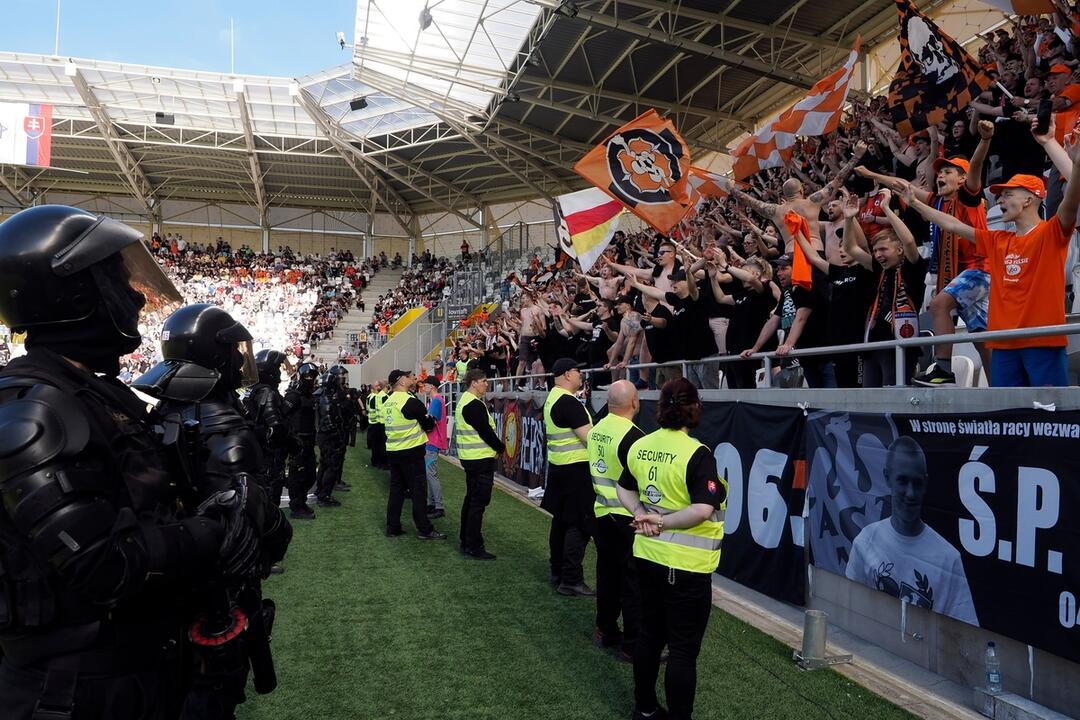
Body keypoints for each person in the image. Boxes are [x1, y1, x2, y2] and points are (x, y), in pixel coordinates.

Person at [0, 205, 233, 719]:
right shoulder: (36, 410)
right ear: (73, 292)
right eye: (115, 280)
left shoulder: (91, 393)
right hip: (75, 692)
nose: (133, 295)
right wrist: (214, 530)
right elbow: (104, 565)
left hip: (133, 671)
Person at [134, 303, 292, 719]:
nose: (242, 359)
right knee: (211, 696)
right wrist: (276, 528)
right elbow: (246, 533)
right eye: (235, 349)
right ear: (216, 353)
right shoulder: (223, 425)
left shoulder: (163, 410)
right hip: (216, 595)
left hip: (171, 579)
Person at [902, 128, 1080, 387]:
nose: (1000, 198)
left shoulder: (1051, 232)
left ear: (1030, 199)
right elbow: (952, 225)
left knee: (1049, 419)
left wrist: (1075, 164)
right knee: (1007, 420)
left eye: (1008, 194)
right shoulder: (998, 240)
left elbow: (1071, 202)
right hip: (1003, 346)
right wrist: (916, 203)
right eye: (1000, 194)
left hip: (1042, 342)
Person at [618, 378, 727, 720]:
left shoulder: (641, 445)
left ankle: (645, 709)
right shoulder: (698, 454)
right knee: (682, 650)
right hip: (686, 567)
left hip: (647, 557)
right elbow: (702, 510)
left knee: (649, 636)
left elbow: (623, 488)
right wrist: (660, 521)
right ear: (694, 408)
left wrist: (640, 514)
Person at [846, 437, 978, 625]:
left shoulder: (949, 559)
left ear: (925, 483)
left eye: (917, 483)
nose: (911, 493)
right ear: (887, 478)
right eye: (903, 481)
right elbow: (851, 607)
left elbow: (964, 630)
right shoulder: (865, 541)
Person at [588, 379, 645, 661]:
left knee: (607, 575)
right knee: (632, 582)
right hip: (626, 517)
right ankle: (633, 644)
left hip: (601, 512)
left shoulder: (598, 428)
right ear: (634, 402)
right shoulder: (634, 436)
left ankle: (605, 629)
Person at [542, 357, 595, 596]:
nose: (580, 374)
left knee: (561, 522)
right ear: (566, 374)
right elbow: (589, 438)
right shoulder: (567, 402)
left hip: (559, 468)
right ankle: (571, 579)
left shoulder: (554, 397)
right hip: (575, 470)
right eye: (577, 370)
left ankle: (558, 572)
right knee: (579, 524)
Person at [384, 369, 446, 539]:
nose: (412, 378)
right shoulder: (410, 401)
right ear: (401, 381)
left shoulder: (388, 402)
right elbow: (428, 425)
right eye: (407, 376)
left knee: (396, 490)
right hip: (411, 451)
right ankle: (424, 529)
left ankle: (393, 526)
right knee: (418, 491)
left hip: (393, 451)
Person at [454, 368, 506, 560]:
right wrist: (500, 447)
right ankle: (473, 545)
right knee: (478, 503)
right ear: (473, 382)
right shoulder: (473, 404)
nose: (486, 384)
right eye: (484, 380)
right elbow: (485, 432)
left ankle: (466, 541)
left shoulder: (466, 402)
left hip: (471, 458)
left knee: (472, 500)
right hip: (479, 459)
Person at [244, 349, 297, 509]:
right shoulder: (268, 393)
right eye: (277, 368)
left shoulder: (254, 390)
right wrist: (293, 443)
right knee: (271, 493)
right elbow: (276, 427)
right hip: (270, 456)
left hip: (258, 452)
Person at [283, 362, 319, 520]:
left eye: (313, 376)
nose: (310, 379)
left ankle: (301, 501)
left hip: (309, 439)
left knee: (310, 474)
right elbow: (283, 415)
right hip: (297, 440)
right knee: (297, 474)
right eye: (307, 376)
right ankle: (296, 506)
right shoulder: (294, 395)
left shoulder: (310, 395)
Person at [313, 369, 347, 507]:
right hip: (328, 436)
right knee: (331, 466)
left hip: (323, 435)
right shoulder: (326, 398)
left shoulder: (320, 395)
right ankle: (324, 495)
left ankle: (320, 491)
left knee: (325, 464)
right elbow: (328, 420)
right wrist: (337, 437)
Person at [420, 377, 447, 519]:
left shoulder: (436, 400)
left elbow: (431, 422)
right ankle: (433, 504)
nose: (424, 387)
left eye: (425, 385)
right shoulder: (436, 400)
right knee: (430, 474)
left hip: (432, 442)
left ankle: (438, 506)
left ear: (432, 386)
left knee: (431, 474)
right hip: (432, 442)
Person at [366, 380, 389, 469]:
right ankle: (381, 462)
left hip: (376, 422)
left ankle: (376, 461)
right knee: (381, 444)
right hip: (379, 422)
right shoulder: (381, 396)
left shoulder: (373, 396)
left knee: (376, 444)